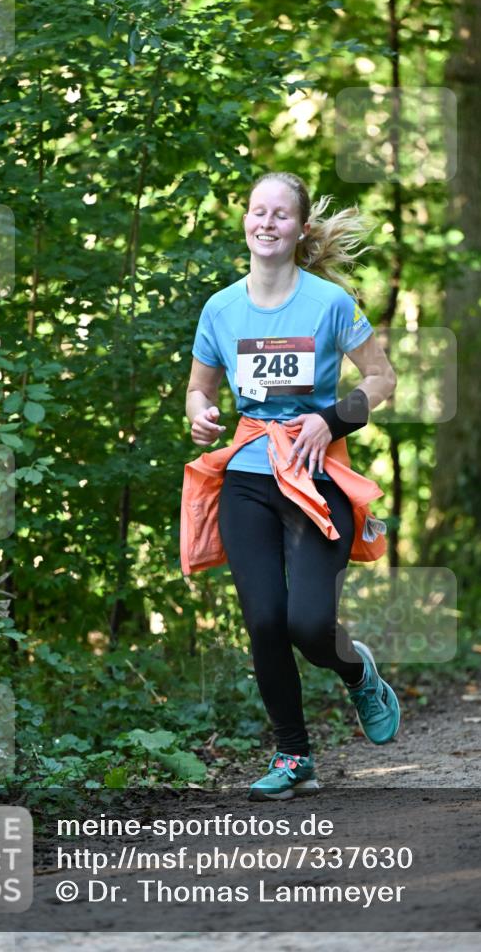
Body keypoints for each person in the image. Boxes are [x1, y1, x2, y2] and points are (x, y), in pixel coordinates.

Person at [185, 171, 401, 801]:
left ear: (300, 228)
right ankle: (293, 756)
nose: (268, 223)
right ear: (246, 222)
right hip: (248, 478)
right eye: (258, 211)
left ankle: (357, 670)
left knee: (309, 625)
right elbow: (200, 386)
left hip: (316, 478)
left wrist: (329, 418)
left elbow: (383, 381)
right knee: (264, 622)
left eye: (281, 214)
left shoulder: (329, 303)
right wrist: (199, 411)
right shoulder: (221, 308)